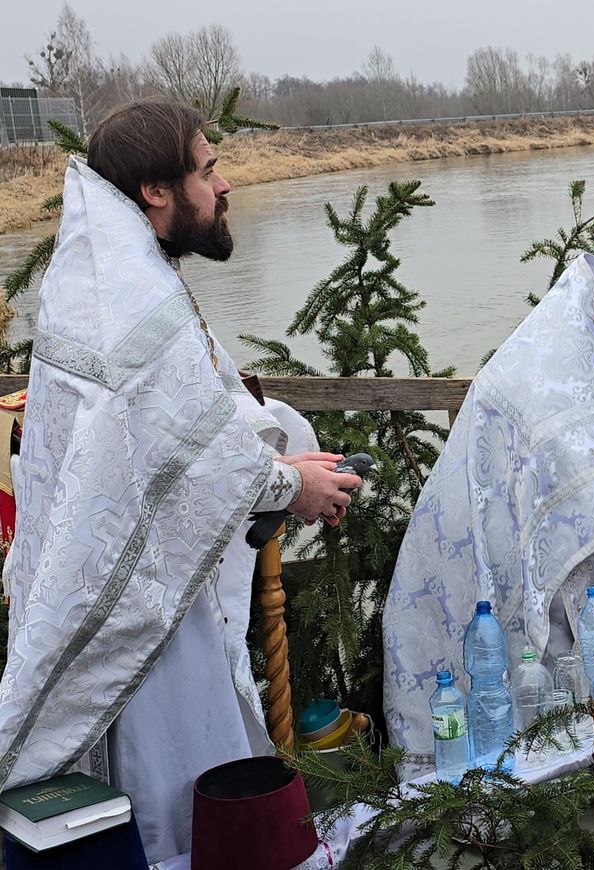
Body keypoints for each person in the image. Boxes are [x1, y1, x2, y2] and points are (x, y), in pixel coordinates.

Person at [0, 98, 361, 863]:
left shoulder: (111, 266)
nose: (225, 184)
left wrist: (284, 453)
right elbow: (182, 443)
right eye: (207, 168)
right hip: (142, 601)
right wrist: (288, 485)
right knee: (179, 781)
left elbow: (187, 411)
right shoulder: (130, 285)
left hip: (140, 570)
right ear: (156, 192)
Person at [382, 245, 594, 775]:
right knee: (522, 677)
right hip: (502, 545)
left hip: (565, 546)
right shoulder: (554, 360)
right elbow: (566, 471)